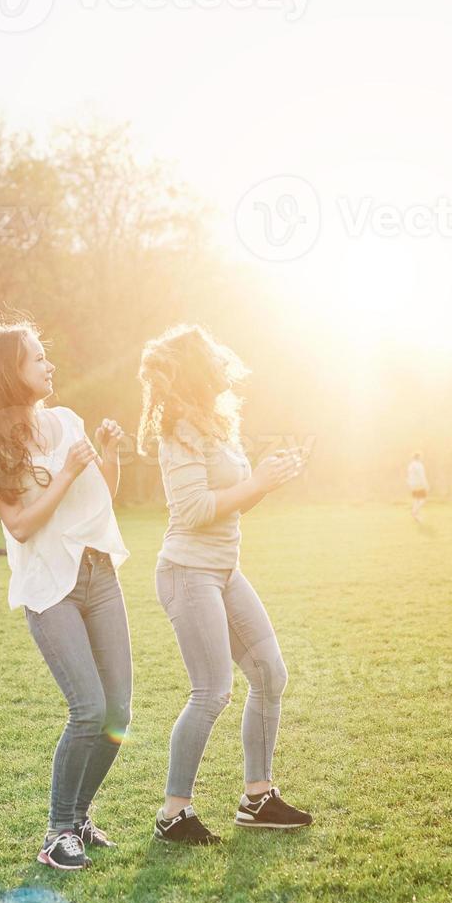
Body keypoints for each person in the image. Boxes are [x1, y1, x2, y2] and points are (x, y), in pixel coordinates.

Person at [0, 318, 131, 871]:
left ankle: (79, 819)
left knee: (118, 711)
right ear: (11, 373)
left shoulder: (68, 421)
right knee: (88, 709)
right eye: (37, 358)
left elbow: (103, 500)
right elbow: (21, 527)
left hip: (100, 576)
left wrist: (106, 455)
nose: (49, 365)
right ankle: (57, 832)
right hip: (52, 588)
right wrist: (69, 473)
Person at [138, 324, 311, 845]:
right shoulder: (179, 430)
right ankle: (174, 814)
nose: (221, 359)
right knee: (212, 691)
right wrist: (255, 482)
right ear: (197, 368)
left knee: (269, 674)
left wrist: (264, 479)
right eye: (210, 354)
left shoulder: (214, 424)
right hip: (187, 573)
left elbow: (233, 499)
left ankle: (257, 799)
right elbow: (191, 511)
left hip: (223, 571)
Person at [406, 451, 429, 521]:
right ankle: (414, 512)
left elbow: (409, 475)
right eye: (420, 457)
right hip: (419, 484)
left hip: (412, 484)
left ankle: (416, 515)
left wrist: (409, 483)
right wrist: (426, 484)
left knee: (416, 499)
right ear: (418, 457)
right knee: (423, 499)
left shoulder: (410, 465)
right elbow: (421, 475)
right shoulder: (419, 465)